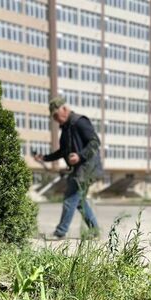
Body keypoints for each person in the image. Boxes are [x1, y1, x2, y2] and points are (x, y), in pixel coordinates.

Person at [34, 97, 103, 238]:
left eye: (56, 115)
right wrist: (44, 158)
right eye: (53, 117)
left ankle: (60, 232)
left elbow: (95, 142)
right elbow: (63, 151)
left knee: (70, 198)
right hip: (80, 169)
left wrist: (80, 156)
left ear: (64, 109)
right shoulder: (66, 128)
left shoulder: (79, 122)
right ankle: (95, 231)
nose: (55, 119)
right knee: (79, 202)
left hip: (87, 168)